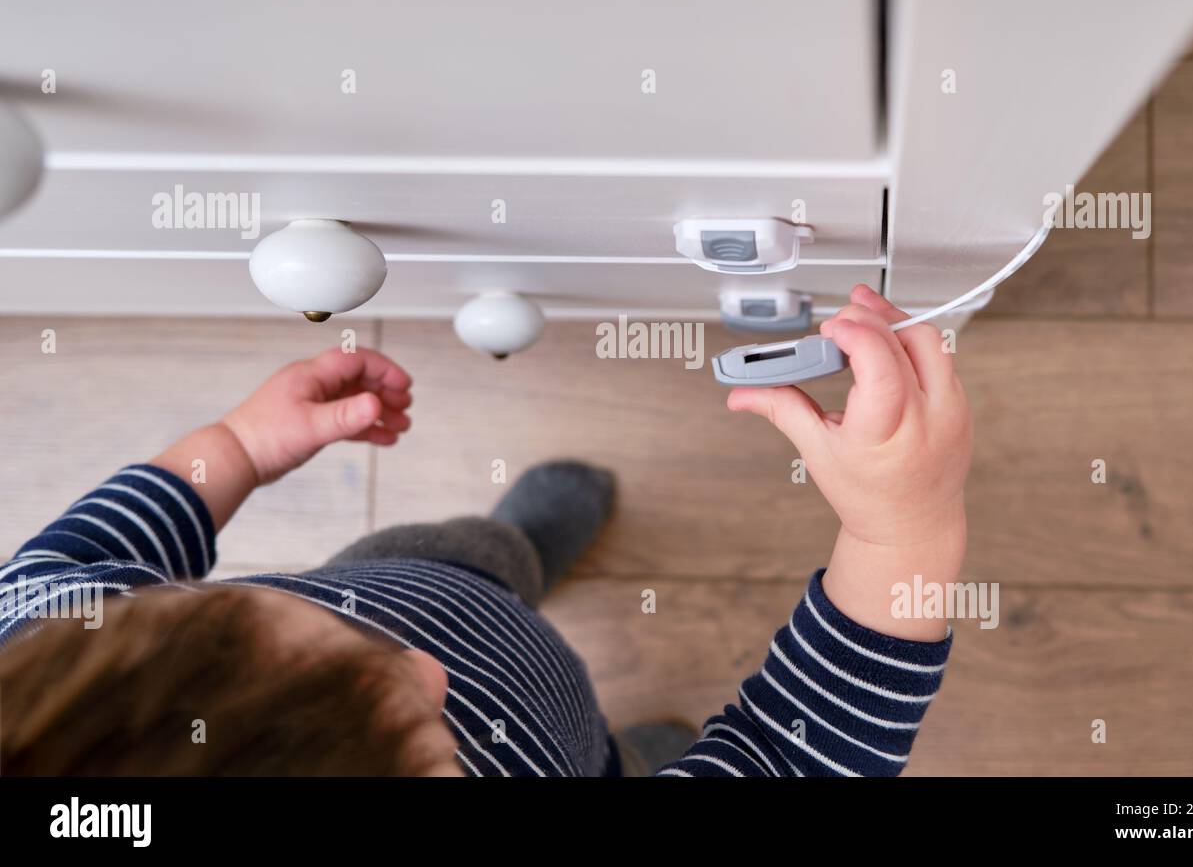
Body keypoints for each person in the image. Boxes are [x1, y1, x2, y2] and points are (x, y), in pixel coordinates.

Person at [0, 285, 970, 776]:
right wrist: (902, 530)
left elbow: (91, 545)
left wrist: (242, 444)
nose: (427, 668)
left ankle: (518, 551)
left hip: (414, 575)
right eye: (428, 735)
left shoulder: (44, 642)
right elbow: (788, 754)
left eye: (239, 612)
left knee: (474, 554)